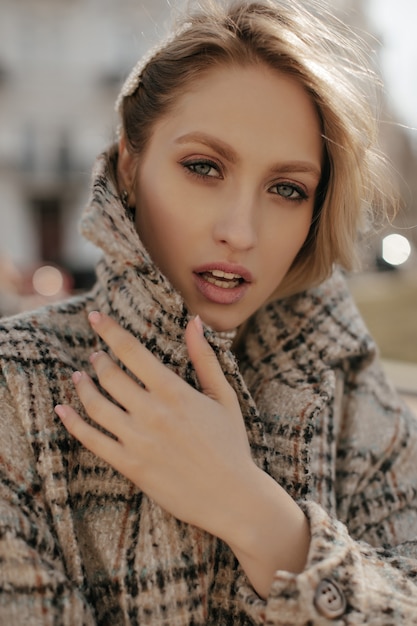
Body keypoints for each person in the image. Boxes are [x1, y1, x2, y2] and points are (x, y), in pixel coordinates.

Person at [0, 0, 416, 623]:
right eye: (204, 167)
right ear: (131, 166)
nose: (240, 231)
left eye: (287, 189)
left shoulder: (348, 385)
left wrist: (259, 516)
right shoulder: (15, 386)